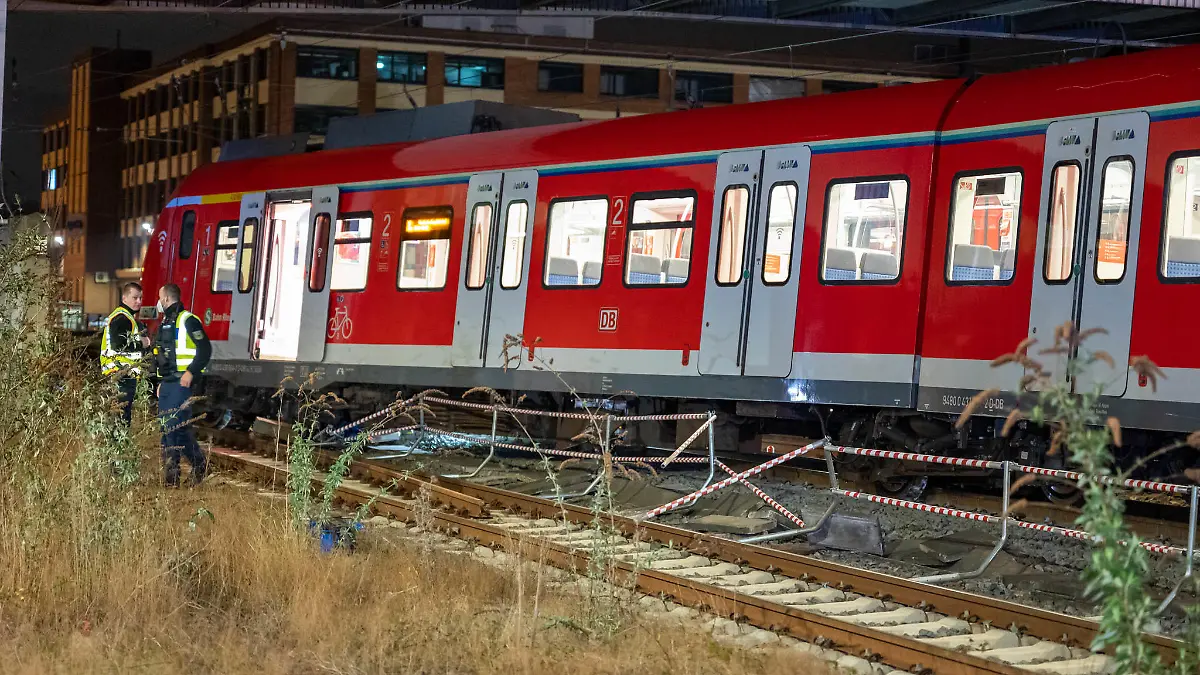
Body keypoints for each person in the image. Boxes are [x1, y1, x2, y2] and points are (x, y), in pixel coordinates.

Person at [154, 283, 212, 488]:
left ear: (167, 299)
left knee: (174, 427)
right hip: (169, 383)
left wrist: (191, 372)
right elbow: (165, 356)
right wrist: (162, 381)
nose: (159, 302)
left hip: (182, 382)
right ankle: (182, 473)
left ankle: (183, 473)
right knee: (168, 429)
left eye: (160, 298)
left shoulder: (189, 320)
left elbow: (205, 349)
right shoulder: (166, 322)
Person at [100, 282, 151, 426]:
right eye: (135, 298)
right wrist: (142, 343)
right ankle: (117, 446)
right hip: (121, 374)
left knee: (119, 418)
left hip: (119, 374)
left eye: (140, 298)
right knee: (121, 419)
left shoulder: (125, 317)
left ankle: (117, 446)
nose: (139, 302)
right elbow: (119, 344)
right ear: (124, 298)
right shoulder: (122, 318)